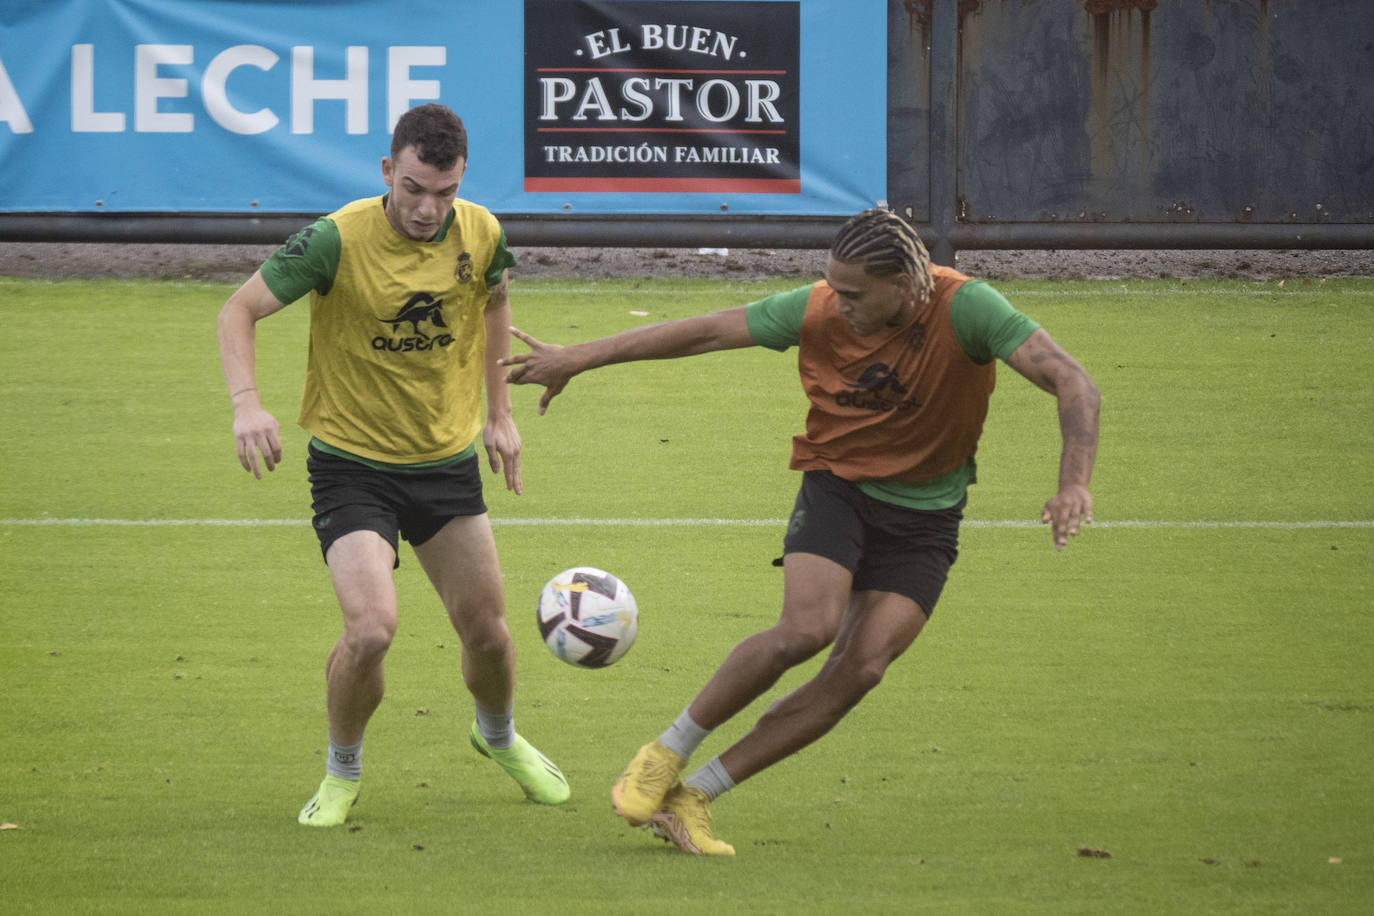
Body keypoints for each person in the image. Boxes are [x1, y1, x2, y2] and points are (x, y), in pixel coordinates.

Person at [501, 208, 1099, 855]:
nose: (836, 304)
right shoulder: (817, 309)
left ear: (905, 283)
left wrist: (1073, 482)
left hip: (926, 519)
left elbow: (1073, 381)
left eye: (853, 293)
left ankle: (694, 796)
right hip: (838, 485)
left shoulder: (967, 310)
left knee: (862, 668)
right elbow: (704, 333)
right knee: (807, 630)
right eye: (831, 287)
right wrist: (577, 358)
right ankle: (664, 753)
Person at [216, 102, 569, 827]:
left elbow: (496, 301)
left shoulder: (483, 231)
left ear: (461, 179)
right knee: (372, 629)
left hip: (444, 464)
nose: (427, 208)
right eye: (413, 189)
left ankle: (495, 736)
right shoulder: (335, 239)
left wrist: (498, 414)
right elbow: (237, 312)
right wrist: (248, 402)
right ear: (388, 172)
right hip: (351, 466)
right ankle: (341, 772)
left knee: (491, 636)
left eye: (444, 192)